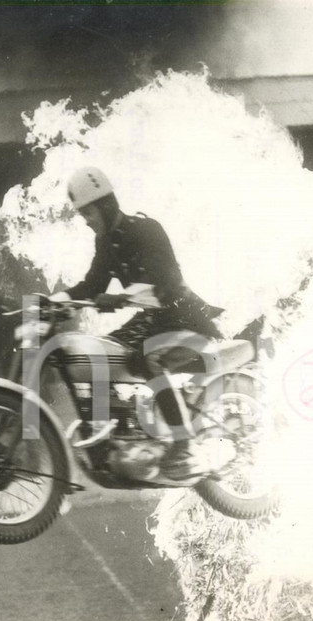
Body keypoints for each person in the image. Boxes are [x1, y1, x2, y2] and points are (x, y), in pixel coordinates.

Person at [50, 167, 224, 479]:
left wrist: (121, 298)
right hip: (153, 321)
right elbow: (92, 286)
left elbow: (162, 282)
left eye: (87, 212)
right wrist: (56, 301)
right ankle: (123, 429)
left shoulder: (147, 229)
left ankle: (186, 444)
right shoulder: (106, 243)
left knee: (147, 359)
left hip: (185, 316)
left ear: (104, 205)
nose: (85, 220)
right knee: (106, 352)